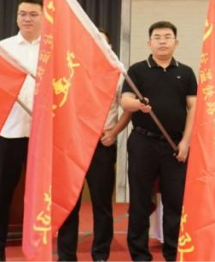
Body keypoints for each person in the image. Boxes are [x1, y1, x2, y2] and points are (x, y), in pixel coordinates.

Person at [121, 21, 197, 262]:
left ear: (176, 42)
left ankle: (173, 254)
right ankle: (140, 255)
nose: (162, 41)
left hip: (175, 145)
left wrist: (186, 142)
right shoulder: (137, 70)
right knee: (140, 202)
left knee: (175, 203)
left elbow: (194, 108)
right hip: (143, 143)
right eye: (157, 37)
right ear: (149, 43)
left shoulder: (186, 72)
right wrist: (138, 105)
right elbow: (125, 101)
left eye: (167, 37)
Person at [58, 29, 132, 262]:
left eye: (103, 43)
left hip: (101, 144)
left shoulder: (117, 74)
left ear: (110, 48)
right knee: (69, 203)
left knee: (102, 204)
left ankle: (100, 254)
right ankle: (66, 256)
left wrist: (114, 132)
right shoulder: (71, 70)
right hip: (72, 143)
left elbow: (127, 109)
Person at [0, 0, 43, 262]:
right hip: (9, 130)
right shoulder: (3, 48)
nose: (27, 19)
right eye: (22, 14)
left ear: (44, 17)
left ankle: (46, 248)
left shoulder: (53, 50)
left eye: (33, 14)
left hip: (44, 134)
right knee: (0, 194)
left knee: (44, 194)